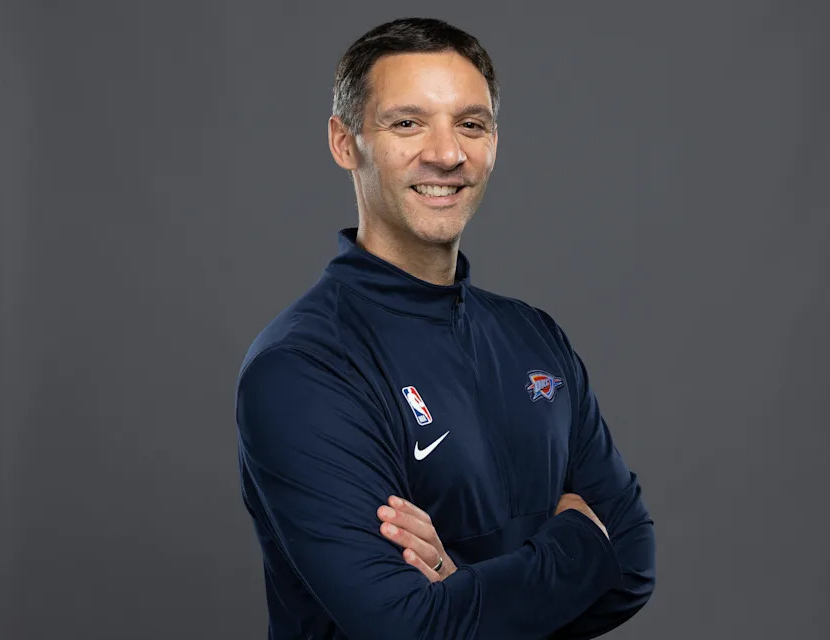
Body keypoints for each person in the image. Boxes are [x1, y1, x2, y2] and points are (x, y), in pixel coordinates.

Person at [235, 17, 656, 639]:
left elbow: (633, 567)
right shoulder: (304, 367)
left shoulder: (534, 337)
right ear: (345, 142)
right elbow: (410, 628)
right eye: (407, 123)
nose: (447, 153)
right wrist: (579, 546)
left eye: (471, 124)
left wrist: (465, 587)